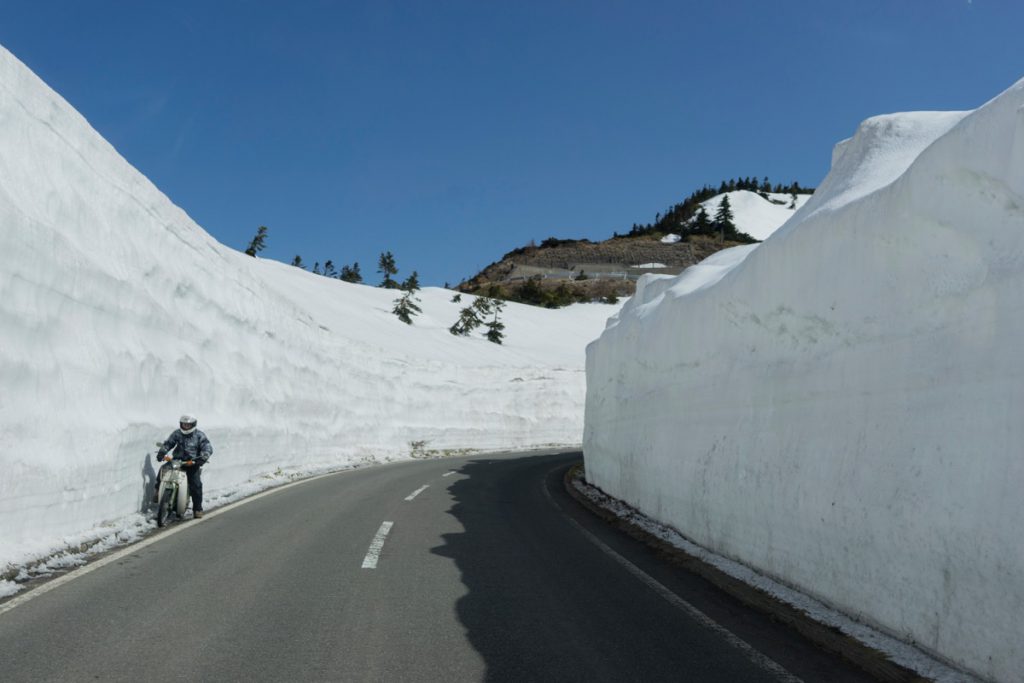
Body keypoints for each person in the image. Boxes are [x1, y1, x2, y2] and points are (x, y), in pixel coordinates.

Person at [155, 414, 213, 519]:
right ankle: (157, 491)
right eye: (184, 424)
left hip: (191, 463)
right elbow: (168, 443)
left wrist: (202, 458)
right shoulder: (177, 433)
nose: (185, 426)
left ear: (193, 425)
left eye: (188, 425)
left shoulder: (199, 435)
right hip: (177, 461)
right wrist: (162, 452)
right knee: (163, 469)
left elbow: (207, 447)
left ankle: (197, 509)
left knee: (196, 485)